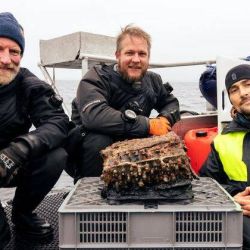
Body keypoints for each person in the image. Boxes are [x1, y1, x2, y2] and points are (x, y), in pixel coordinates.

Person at [70, 24, 180, 179]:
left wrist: (164, 119)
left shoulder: (153, 80)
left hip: (131, 149)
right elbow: (94, 115)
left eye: (142, 54)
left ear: (148, 57)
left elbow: (171, 104)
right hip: (89, 152)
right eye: (129, 53)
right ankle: (88, 188)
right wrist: (148, 125)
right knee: (99, 139)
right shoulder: (95, 77)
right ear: (118, 55)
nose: (136, 59)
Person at [0, 12, 69, 247]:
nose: (6, 59)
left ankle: (22, 214)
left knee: (55, 154)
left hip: (9, 164)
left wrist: (20, 149)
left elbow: (58, 122)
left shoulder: (28, 84)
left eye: (14, 52)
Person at [200, 64, 250, 249]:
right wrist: (233, 196)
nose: (243, 93)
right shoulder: (222, 141)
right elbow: (206, 185)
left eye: (248, 84)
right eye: (234, 89)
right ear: (230, 99)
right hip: (240, 219)